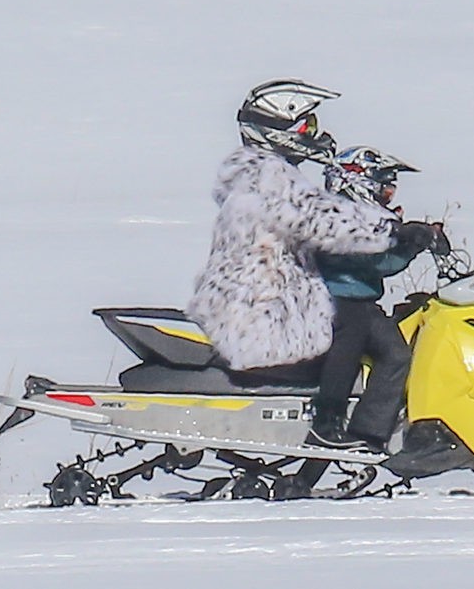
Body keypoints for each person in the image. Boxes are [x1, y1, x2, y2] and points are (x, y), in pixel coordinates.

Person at [186, 80, 400, 371]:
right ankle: (335, 418)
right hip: (261, 316)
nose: (315, 134)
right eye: (306, 126)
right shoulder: (266, 180)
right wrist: (390, 230)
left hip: (262, 306)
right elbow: (320, 220)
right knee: (371, 341)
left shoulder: (258, 175)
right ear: (277, 129)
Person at [306, 146, 449, 452]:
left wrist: (416, 242)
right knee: (353, 331)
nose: (389, 193)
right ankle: (326, 420)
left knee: (396, 354)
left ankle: (368, 434)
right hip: (328, 301)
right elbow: (366, 259)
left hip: (359, 302)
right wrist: (405, 240)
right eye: (385, 186)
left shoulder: (359, 218)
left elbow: (382, 264)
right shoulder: (333, 216)